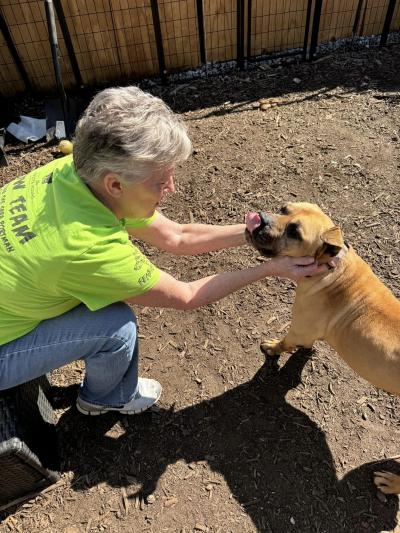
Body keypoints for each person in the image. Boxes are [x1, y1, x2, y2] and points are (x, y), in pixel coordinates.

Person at [0, 86, 328, 415]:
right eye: (160, 181)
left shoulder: (73, 173)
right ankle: (101, 401)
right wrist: (272, 268)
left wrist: (258, 234)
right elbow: (186, 296)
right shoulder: (85, 247)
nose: (171, 188)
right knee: (116, 328)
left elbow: (177, 236)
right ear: (116, 184)